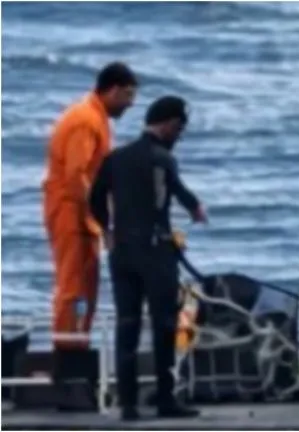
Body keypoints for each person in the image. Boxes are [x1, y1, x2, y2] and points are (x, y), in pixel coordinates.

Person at [89, 96, 207, 421]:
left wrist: (106, 230)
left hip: (122, 252)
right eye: (179, 130)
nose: (178, 136)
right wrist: (197, 209)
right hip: (155, 251)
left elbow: (94, 198)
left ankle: (128, 405)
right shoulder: (162, 158)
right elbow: (177, 191)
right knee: (164, 324)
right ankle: (165, 400)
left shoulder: (115, 158)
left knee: (126, 324)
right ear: (169, 124)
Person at [41, 61, 137, 409]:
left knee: (86, 290)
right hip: (70, 214)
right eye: (127, 96)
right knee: (72, 290)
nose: (129, 105)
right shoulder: (84, 120)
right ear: (113, 90)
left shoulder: (96, 118)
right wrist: (101, 221)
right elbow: (77, 177)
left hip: (83, 217)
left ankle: (78, 355)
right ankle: (67, 369)